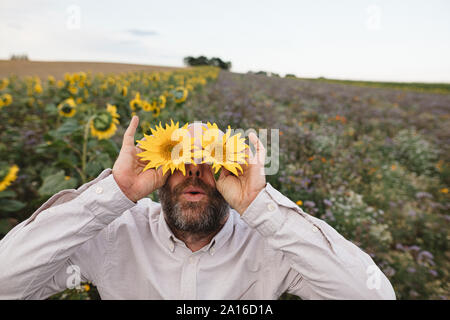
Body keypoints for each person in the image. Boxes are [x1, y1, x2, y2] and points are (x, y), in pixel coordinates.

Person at [0, 116, 396, 299]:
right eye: (178, 160)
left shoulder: (271, 244)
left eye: (210, 162)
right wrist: (116, 192)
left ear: (231, 171)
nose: (193, 172)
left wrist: (263, 207)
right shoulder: (114, 235)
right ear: (159, 169)